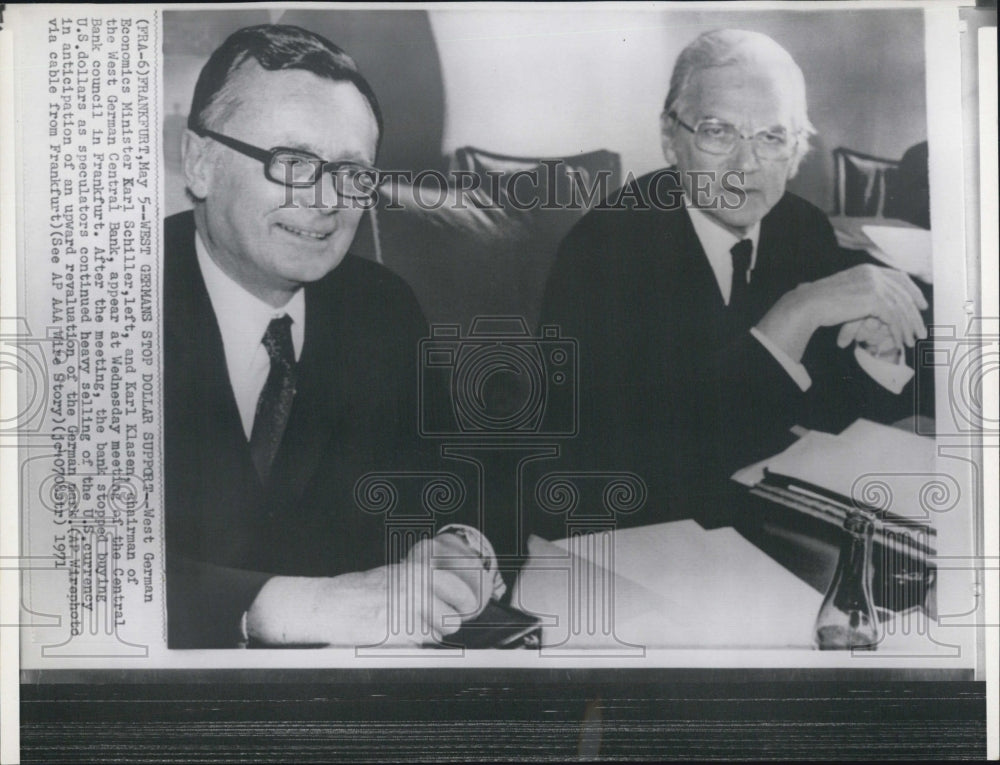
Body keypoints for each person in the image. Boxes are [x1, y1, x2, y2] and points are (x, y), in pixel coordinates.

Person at [164, 25, 502, 648]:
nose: (326, 201)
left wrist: (460, 547)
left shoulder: (380, 306)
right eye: (292, 163)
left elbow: (465, 476)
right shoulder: (106, 305)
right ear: (200, 162)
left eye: (351, 173)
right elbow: (66, 565)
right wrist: (291, 605)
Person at [537, 29, 931, 531]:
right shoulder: (604, 249)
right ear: (670, 140)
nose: (746, 165)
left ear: (795, 154)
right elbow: (626, 461)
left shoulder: (802, 228)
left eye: (772, 137)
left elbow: (833, 412)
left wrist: (877, 356)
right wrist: (792, 317)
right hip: (645, 542)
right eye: (718, 132)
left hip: (776, 525)